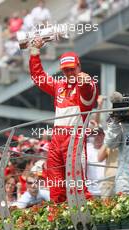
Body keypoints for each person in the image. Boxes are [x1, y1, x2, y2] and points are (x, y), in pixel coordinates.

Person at [29, 38, 98, 203]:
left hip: (74, 139)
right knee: (55, 185)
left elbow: (89, 93)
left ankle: (88, 219)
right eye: (65, 70)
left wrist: (85, 81)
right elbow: (38, 77)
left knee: (77, 183)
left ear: (79, 67)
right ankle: (56, 219)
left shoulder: (86, 85)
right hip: (56, 140)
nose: (69, 73)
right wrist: (34, 51)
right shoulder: (58, 86)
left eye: (72, 69)